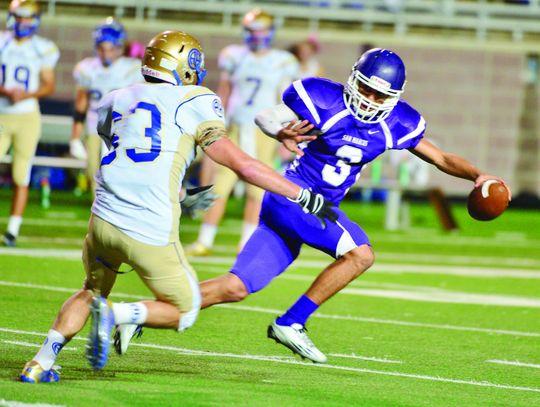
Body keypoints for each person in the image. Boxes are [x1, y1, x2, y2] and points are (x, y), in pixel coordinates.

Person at [19, 30, 335, 383]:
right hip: (148, 227)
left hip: (102, 220)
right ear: (187, 65)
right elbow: (243, 166)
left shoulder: (114, 99)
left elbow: (132, 161)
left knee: (90, 289)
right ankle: (113, 314)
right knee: (184, 310)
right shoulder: (195, 99)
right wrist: (300, 194)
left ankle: (39, 363)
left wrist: (182, 194)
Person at [187, 48, 511, 363]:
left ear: (395, 98)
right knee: (361, 253)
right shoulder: (324, 98)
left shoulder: (397, 122)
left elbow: (441, 157)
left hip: (301, 209)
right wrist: (279, 131)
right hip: (295, 196)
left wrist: (477, 174)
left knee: (235, 287)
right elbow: (266, 116)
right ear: (354, 80)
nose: (370, 100)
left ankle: (141, 312)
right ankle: (291, 322)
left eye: (380, 96)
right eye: (367, 90)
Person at [187, 8, 299, 255]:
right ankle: (205, 240)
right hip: (235, 127)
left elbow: (286, 101)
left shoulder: (283, 61)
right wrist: (214, 124)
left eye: (259, 31)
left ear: (270, 32)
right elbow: (224, 92)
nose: (255, 36)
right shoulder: (234, 55)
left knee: (258, 187)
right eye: (251, 31)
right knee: (219, 185)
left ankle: (247, 242)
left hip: (266, 131)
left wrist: (285, 135)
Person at [0, 0, 59, 247]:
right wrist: (4, 90)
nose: (23, 22)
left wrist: (26, 94)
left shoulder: (43, 48)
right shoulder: (2, 41)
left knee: (21, 174)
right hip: (2, 113)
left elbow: (48, 84)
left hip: (27, 116)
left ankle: (13, 229)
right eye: (20, 17)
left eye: (28, 18)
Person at [69, 17, 143, 196]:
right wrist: (75, 138)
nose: (106, 53)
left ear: (119, 47)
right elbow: (81, 105)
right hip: (95, 127)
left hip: (123, 129)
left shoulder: (132, 68)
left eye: (111, 48)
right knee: (95, 175)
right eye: (102, 48)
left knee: (123, 175)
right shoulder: (87, 68)